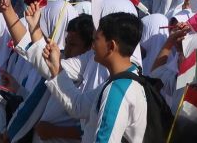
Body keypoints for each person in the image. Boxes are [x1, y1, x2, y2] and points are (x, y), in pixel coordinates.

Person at [42, 11, 150, 143]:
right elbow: (78, 106)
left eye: (96, 40)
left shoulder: (118, 90)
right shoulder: (120, 81)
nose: (92, 46)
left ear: (111, 46)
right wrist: (56, 68)